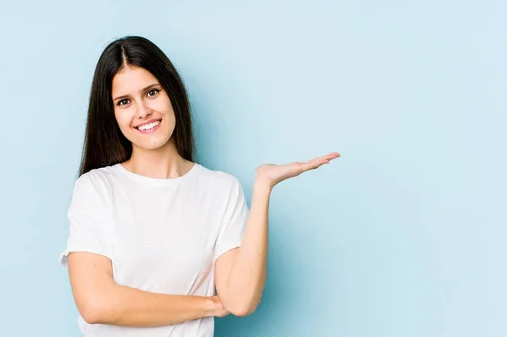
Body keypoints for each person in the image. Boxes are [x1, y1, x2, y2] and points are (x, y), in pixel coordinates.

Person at [58, 35, 340, 337]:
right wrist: (207, 305)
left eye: (152, 92)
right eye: (124, 101)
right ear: (111, 113)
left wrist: (263, 188)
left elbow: (241, 301)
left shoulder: (221, 190)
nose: (142, 111)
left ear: (172, 93)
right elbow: (96, 304)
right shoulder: (97, 189)